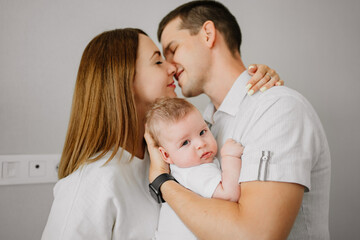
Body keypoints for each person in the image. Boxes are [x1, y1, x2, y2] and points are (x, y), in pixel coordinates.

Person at [41, 27, 282, 239]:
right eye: (158, 62)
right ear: (124, 79)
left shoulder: (171, 156)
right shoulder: (91, 183)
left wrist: (255, 81)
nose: (172, 67)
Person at [146, 1, 331, 240]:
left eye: (173, 49)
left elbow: (256, 235)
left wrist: (162, 183)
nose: (169, 67)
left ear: (208, 34)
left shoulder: (276, 108)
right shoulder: (200, 124)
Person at [146, 97, 243, 239]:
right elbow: (229, 195)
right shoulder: (195, 171)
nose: (200, 144)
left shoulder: (186, 166)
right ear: (166, 155)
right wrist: (231, 157)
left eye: (202, 132)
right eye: (185, 142)